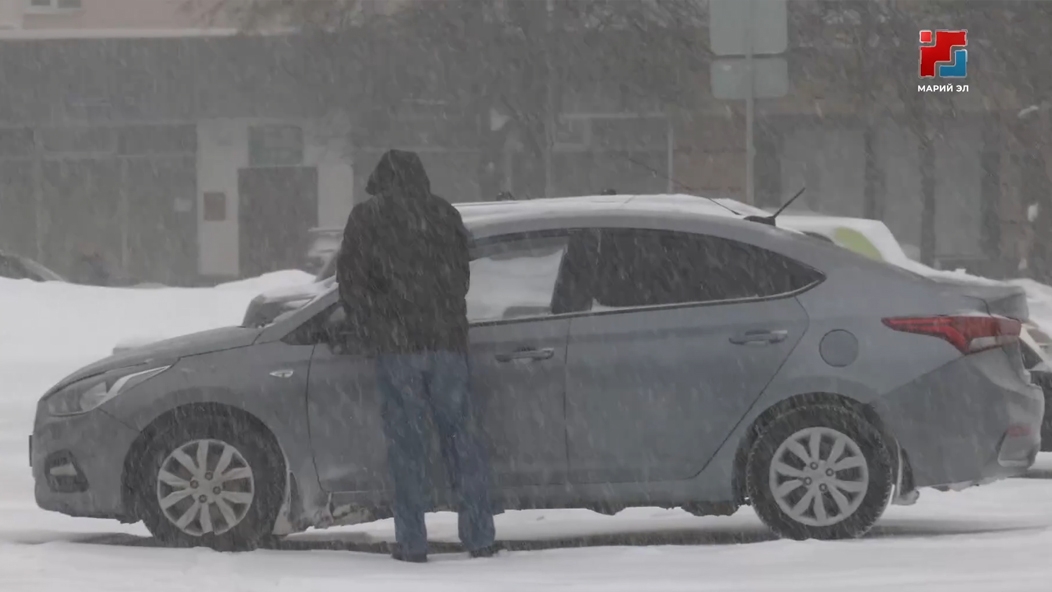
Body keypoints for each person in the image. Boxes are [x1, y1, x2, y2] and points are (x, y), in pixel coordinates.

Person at [335, 149, 498, 563]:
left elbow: (351, 283)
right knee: (462, 441)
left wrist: (372, 326)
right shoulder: (444, 213)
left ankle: (413, 543)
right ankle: (479, 536)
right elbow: (461, 276)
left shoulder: (367, 218)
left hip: (397, 349)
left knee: (407, 447)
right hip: (446, 345)